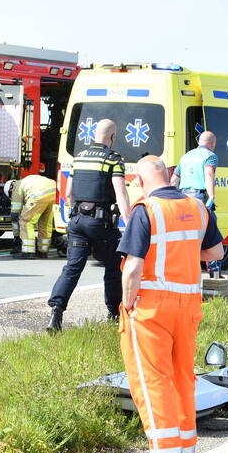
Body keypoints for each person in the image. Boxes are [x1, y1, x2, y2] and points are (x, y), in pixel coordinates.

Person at [118, 155, 224, 453]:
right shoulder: (197, 207)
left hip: (151, 305)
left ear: (139, 179)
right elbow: (216, 253)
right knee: (182, 377)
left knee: (152, 379)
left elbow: (133, 267)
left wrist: (126, 304)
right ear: (170, 175)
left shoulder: (146, 210)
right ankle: (184, 450)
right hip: (188, 304)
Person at [46, 119, 131, 332]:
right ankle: (113, 312)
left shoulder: (79, 157)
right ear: (112, 137)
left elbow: (68, 194)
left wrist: (71, 213)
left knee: (72, 268)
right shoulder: (113, 159)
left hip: (76, 222)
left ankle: (56, 311)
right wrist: (128, 223)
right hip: (100, 224)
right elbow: (121, 194)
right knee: (113, 267)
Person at [5, 175, 56, 259]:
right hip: (53, 192)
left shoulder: (16, 187)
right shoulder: (26, 181)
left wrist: (16, 235)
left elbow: (15, 213)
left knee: (26, 222)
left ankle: (28, 252)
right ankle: (43, 251)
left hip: (38, 195)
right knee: (45, 224)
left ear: (10, 189)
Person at [170, 131, 218, 211]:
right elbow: (208, 174)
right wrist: (211, 197)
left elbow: (173, 180)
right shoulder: (210, 156)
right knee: (208, 221)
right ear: (213, 144)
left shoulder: (185, 156)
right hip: (199, 197)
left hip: (183, 196)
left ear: (199, 142)